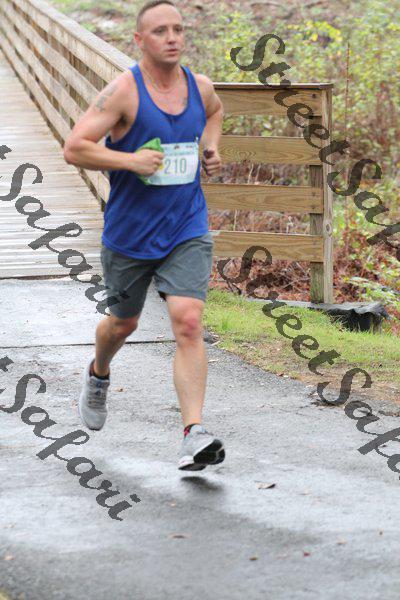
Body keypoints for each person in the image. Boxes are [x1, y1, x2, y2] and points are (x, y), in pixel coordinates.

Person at [63, 0, 225, 471]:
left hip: (186, 226)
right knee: (123, 323)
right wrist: (130, 161)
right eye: (159, 31)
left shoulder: (199, 86)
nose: (172, 38)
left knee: (188, 320)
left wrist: (211, 147)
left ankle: (194, 433)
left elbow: (216, 111)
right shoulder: (123, 92)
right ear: (139, 40)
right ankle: (98, 373)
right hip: (130, 233)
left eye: (178, 29)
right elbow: (75, 147)